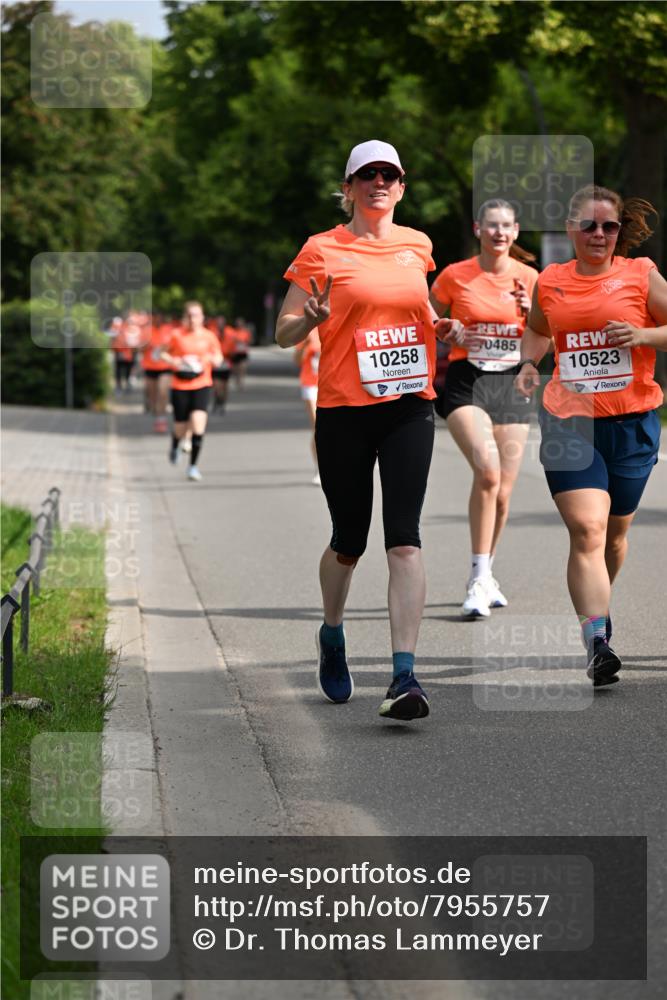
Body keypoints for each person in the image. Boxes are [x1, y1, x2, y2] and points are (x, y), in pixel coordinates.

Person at [276, 139, 440, 721]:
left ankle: (404, 674)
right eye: (366, 175)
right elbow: (283, 331)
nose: (378, 183)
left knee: (405, 537)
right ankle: (332, 631)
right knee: (350, 540)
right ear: (347, 188)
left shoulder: (417, 246)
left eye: (388, 175)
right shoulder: (322, 249)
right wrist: (309, 321)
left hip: (409, 405)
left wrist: (440, 327)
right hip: (345, 408)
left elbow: (419, 312)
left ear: (401, 186)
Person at [514, 184, 667, 685]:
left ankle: (599, 609)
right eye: (588, 225)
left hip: (631, 422)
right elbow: (538, 327)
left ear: (619, 231)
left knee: (615, 535)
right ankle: (596, 640)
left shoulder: (639, 274)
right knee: (588, 530)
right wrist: (528, 364)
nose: (598, 234)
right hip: (568, 419)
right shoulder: (551, 280)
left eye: (609, 226)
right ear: (571, 229)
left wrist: (644, 336)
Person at [430, 199, 538, 618]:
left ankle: (486, 572)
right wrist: (445, 329)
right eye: (491, 225)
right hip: (466, 383)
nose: (498, 233)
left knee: (504, 491)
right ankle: (477, 578)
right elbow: (421, 318)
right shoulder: (456, 276)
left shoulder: (530, 279)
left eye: (506, 226)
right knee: (488, 472)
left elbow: (544, 342)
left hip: (511, 385)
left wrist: (534, 324)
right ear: (478, 229)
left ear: (515, 231)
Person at [160, 301, 222, 481]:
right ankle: (175, 444)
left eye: (196, 315)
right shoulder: (176, 335)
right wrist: (174, 362)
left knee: (197, 424)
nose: (193, 319)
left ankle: (193, 466)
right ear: (184, 317)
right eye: (189, 315)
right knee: (180, 426)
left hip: (202, 384)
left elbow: (218, 356)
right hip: (180, 385)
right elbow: (162, 353)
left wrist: (214, 359)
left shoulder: (209, 336)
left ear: (202, 318)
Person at [294, 327, 321, 484]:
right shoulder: (308, 328)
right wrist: (304, 345)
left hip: (329, 383)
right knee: (318, 426)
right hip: (310, 384)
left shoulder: (335, 324)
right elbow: (297, 360)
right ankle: (319, 468)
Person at [141, 314, 173, 432]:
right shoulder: (146, 331)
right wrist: (146, 345)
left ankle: (161, 418)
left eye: (160, 318)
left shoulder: (169, 330)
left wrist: (165, 348)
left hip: (165, 367)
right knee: (152, 394)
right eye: (155, 318)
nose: (158, 319)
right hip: (150, 366)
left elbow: (174, 346)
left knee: (163, 391)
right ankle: (156, 412)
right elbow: (137, 348)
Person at [230, 317, 252, 389]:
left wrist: (243, 342)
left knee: (242, 368)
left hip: (243, 352)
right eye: (237, 322)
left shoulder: (246, 332)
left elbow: (249, 341)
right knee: (235, 369)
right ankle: (237, 380)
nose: (239, 324)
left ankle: (241, 382)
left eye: (240, 322)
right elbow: (230, 342)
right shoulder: (233, 332)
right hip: (235, 352)